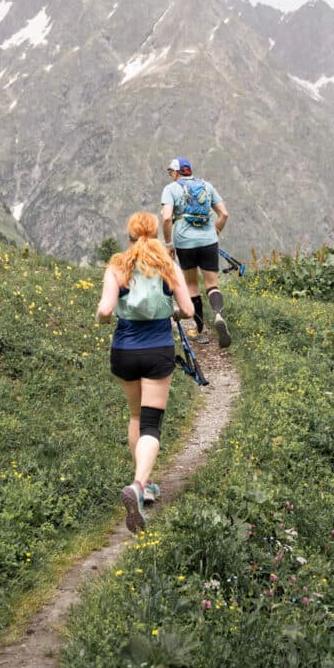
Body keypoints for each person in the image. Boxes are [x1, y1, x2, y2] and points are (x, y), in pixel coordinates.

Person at [96, 211, 195, 533]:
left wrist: (102, 320)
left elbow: (105, 310)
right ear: (153, 233)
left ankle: (147, 482)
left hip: (124, 350)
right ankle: (139, 486)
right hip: (157, 349)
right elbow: (189, 310)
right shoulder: (167, 266)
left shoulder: (117, 266)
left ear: (129, 235)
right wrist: (175, 311)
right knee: (152, 423)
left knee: (136, 417)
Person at [160, 157, 232, 347]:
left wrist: (168, 244)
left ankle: (199, 331)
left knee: (192, 285)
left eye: (170, 172)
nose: (170, 175)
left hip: (185, 242)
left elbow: (167, 218)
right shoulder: (207, 186)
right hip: (209, 241)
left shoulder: (171, 189)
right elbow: (224, 214)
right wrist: (214, 232)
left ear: (176, 172)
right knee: (212, 285)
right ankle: (217, 314)